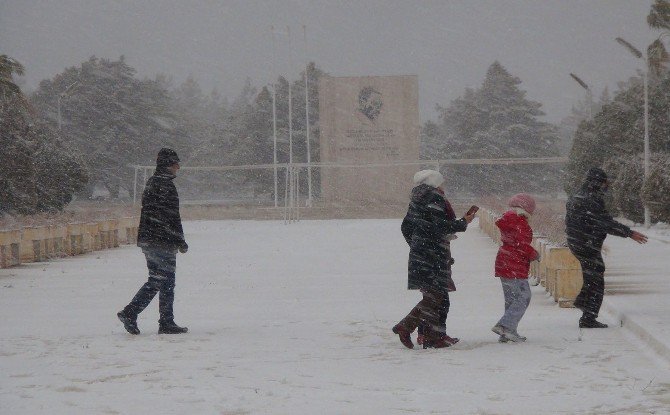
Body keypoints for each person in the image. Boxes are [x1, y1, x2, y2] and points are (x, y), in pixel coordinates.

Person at [392, 170, 475, 349]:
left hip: (424, 254)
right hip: (433, 255)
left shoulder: (417, 200)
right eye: (441, 182)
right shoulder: (434, 198)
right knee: (435, 296)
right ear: (434, 182)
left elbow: (406, 226)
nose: (442, 185)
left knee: (439, 297)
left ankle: (433, 335)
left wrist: (416, 245)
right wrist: (463, 222)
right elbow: (439, 226)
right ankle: (408, 328)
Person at [117, 148, 189, 335]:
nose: (178, 167)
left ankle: (166, 321)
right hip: (162, 241)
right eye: (175, 164)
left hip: (150, 239)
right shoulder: (165, 186)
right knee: (159, 279)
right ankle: (130, 312)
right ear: (168, 165)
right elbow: (172, 217)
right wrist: (180, 240)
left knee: (165, 281)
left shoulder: (152, 183)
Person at [565, 167, 648, 328]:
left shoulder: (577, 195)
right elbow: (605, 223)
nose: (606, 186)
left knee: (593, 275)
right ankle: (588, 317)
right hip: (586, 244)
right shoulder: (590, 200)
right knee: (596, 280)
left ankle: (582, 302)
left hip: (577, 242)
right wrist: (629, 233)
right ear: (597, 183)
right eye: (604, 183)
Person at [491, 193, 539, 343]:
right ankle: (505, 327)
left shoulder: (509, 220)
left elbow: (514, 242)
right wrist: (534, 253)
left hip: (505, 262)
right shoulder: (520, 222)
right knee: (523, 297)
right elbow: (520, 245)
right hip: (514, 264)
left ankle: (507, 332)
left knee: (512, 299)